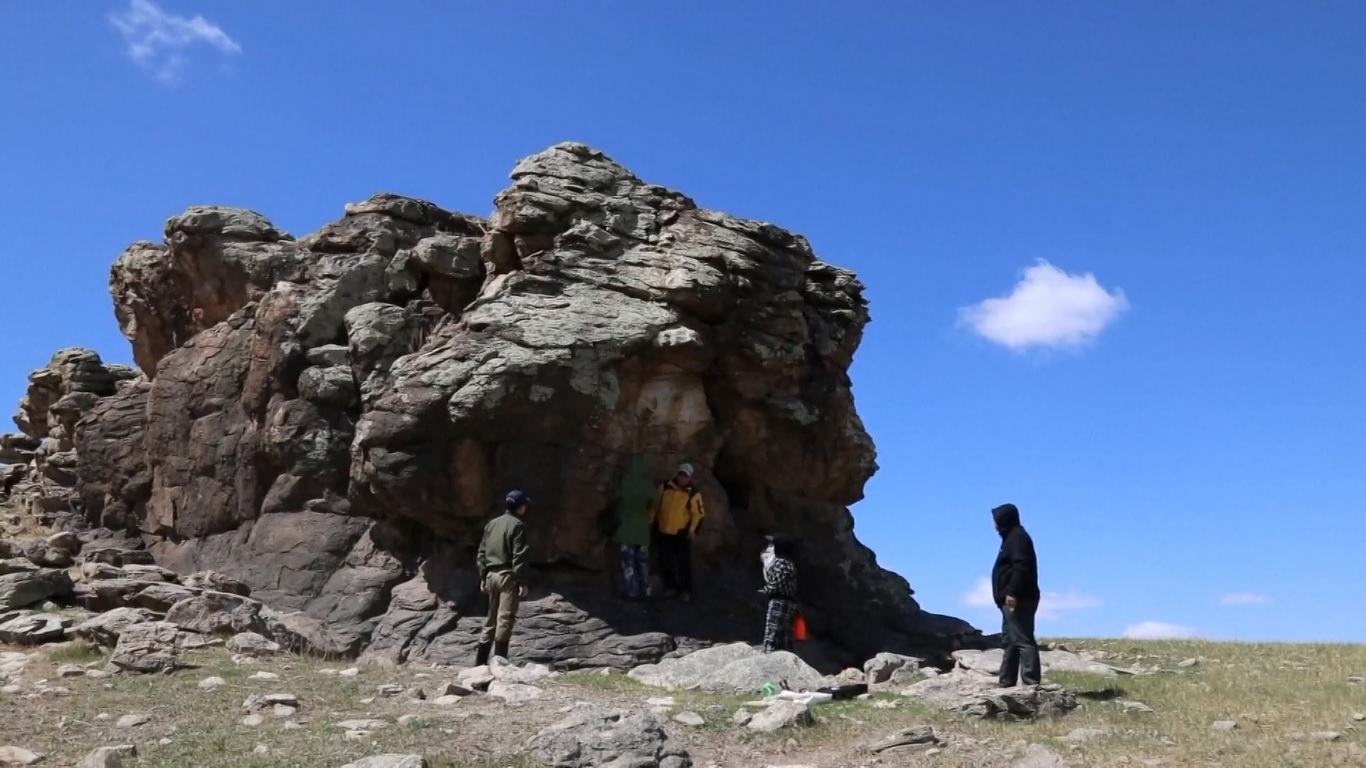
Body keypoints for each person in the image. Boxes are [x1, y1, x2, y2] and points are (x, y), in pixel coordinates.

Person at [475, 490, 530, 666]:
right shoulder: (518, 525)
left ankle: (479, 665)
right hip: (507, 576)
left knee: (490, 620)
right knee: (504, 619)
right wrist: (522, 582)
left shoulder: (492, 524)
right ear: (520, 507)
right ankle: (500, 665)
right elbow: (518, 556)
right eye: (524, 505)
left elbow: (482, 553)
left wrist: (483, 576)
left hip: (490, 575)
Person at [990, 502, 1042, 688]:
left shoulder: (1018, 538)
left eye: (995, 519)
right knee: (1010, 641)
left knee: (1022, 639)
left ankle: (1031, 683)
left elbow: (1022, 567)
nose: (993, 523)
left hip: (1019, 598)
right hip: (1010, 599)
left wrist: (1012, 592)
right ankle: (1006, 682)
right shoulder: (1011, 538)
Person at [649, 462, 705, 602]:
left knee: (683, 563)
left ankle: (685, 590)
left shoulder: (693, 493)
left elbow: (698, 514)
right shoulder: (665, 487)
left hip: (681, 533)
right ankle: (670, 587)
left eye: (685, 475)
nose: (682, 477)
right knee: (665, 560)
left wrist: (692, 531)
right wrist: (651, 522)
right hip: (663, 530)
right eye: (681, 473)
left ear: (690, 477)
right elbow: (655, 506)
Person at [613, 453, 655, 599]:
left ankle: (631, 591)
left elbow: (618, 499)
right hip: (643, 530)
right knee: (643, 562)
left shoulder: (625, 482)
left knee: (628, 563)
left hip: (626, 529)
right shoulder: (648, 485)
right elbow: (656, 504)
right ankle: (646, 590)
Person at [759, 533, 799, 653]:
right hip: (789, 603)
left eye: (772, 545)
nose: (770, 547)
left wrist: (764, 591)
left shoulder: (780, 563)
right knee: (786, 637)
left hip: (779, 603)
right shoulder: (790, 563)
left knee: (772, 633)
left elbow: (775, 584)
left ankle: (768, 654)